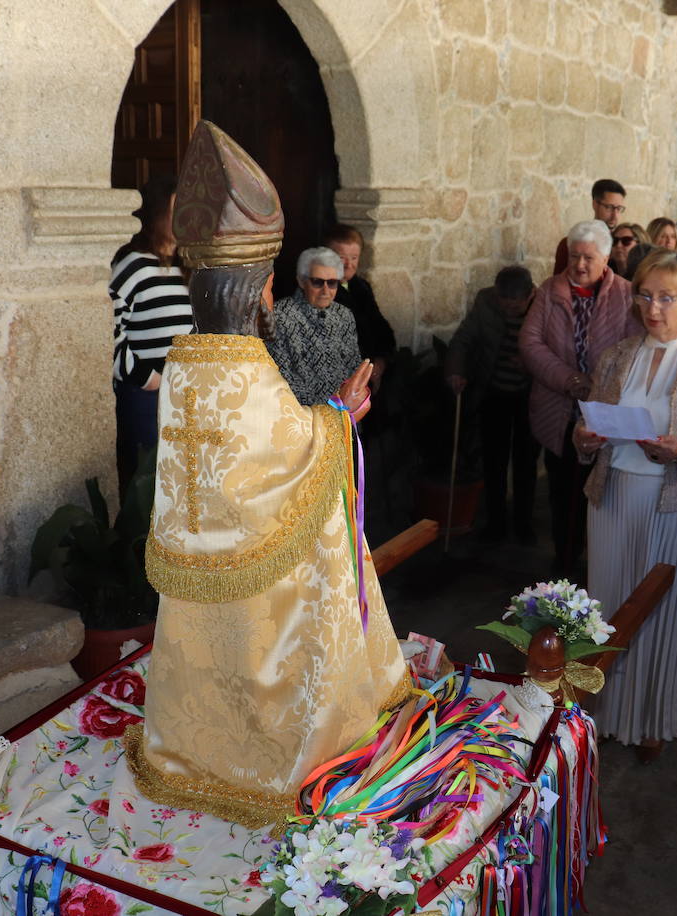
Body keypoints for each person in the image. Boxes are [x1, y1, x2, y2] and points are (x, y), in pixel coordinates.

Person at [128, 121, 405, 828]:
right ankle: (274, 755)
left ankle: (192, 747)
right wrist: (343, 416)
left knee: (208, 645)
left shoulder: (189, 366)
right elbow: (293, 457)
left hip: (200, 549)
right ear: (260, 287)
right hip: (269, 586)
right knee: (266, 647)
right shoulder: (250, 374)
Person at [572, 249, 677, 762]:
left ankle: (655, 716)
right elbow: (586, 431)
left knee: (663, 612)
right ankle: (599, 710)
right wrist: (584, 438)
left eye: (666, 297)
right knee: (609, 603)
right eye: (645, 295)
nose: (654, 307)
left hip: (674, 502)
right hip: (614, 493)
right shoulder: (616, 356)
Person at [521, 219, 637, 573]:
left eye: (589, 257)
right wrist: (571, 380)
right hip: (559, 410)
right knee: (561, 491)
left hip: (606, 413)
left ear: (606, 259)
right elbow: (530, 343)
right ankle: (564, 560)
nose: (580, 265)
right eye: (575, 256)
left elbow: (634, 349)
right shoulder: (549, 290)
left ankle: (599, 566)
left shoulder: (627, 294)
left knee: (601, 495)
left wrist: (598, 386)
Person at [109, 175, 195, 494]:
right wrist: (147, 378)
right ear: (158, 212)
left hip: (182, 397)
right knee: (145, 489)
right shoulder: (134, 264)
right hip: (144, 395)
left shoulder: (186, 267)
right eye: (178, 208)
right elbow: (110, 329)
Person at [445, 266, 540, 544]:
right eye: (504, 302)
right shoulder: (486, 303)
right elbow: (463, 339)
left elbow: (553, 347)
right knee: (494, 460)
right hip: (494, 391)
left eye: (516, 304)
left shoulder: (544, 306)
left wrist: (530, 364)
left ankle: (524, 523)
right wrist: (455, 370)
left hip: (529, 395)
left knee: (525, 461)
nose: (509, 309)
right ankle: (495, 523)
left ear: (530, 295)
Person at [266, 247, 362, 407]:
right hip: (301, 417)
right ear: (302, 281)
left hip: (343, 414)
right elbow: (280, 377)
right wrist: (324, 412)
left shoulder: (344, 315)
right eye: (317, 282)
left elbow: (353, 367)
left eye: (332, 283)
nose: (326, 290)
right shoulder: (280, 316)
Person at [326, 224, 396, 391]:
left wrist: (380, 361)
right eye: (341, 257)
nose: (348, 264)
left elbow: (381, 330)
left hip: (369, 376)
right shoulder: (319, 291)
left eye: (354, 257)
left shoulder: (361, 288)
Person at [553, 178, 626, 275]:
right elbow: (557, 285)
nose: (615, 216)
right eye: (609, 207)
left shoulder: (624, 245)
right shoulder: (569, 244)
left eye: (619, 208)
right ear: (595, 204)